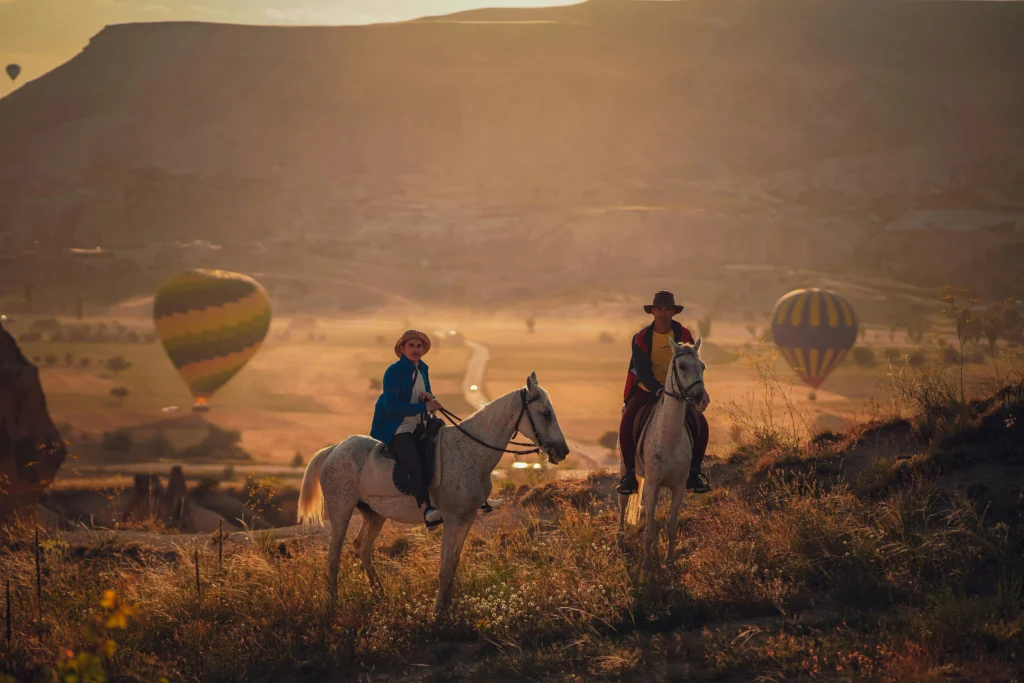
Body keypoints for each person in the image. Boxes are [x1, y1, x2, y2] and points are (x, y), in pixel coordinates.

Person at [616, 291, 712, 496]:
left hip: (678, 392)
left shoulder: (684, 335)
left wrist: (698, 390)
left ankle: (694, 473)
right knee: (626, 424)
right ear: (652, 312)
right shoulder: (641, 338)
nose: (663, 313)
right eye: (659, 309)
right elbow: (641, 369)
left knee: (701, 425)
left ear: (673, 312)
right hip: (647, 390)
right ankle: (630, 476)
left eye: (668, 309)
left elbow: (693, 366)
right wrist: (658, 389)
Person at [370, 330, 444, 527]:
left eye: (419, 346)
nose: (415, 349)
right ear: (402, 348)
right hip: (398, 428)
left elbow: (423, 394)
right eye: (411, 346)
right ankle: (426, 509)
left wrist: (427, 398)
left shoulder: (423, 369)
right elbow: (390, 405)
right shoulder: (393, 372)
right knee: (416, 461)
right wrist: (422, 407)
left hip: (420, 424)